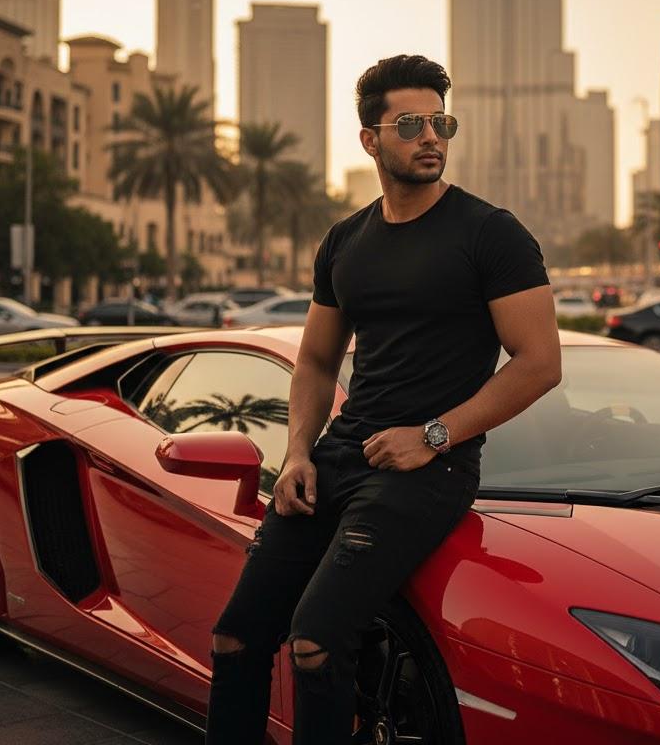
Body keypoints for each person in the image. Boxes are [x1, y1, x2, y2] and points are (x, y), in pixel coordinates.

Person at [205, 54, 561, 743]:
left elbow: (540, 364)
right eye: (410, 125)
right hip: (337, 457)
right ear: (370, 139)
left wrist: (432, 435)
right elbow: (315, 360)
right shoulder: (345, 242)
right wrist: (297, 453)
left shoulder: (491, 233)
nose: (431, 137)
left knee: (315, 642)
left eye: (441, 123)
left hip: (429, 470)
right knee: (235, 639)